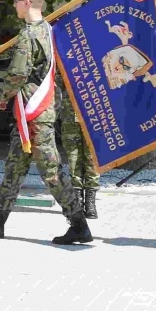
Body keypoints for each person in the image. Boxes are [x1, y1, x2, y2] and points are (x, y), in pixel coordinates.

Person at [0, 0, 93, 245]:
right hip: (38, 109)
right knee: (14, 166)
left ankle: (79, 223)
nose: (14, 5)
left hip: (35, 111)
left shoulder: (29, 34)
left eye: (16, 1)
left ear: (26, 3)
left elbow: (18, 73)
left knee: (51, 169)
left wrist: (3, 97)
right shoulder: (49, 31)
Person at [58, 86, 100, 219]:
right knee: (73, 157)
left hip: (95, 106)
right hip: (71, 106)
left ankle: (90, 202)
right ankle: (77, 202)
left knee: (92, 157)